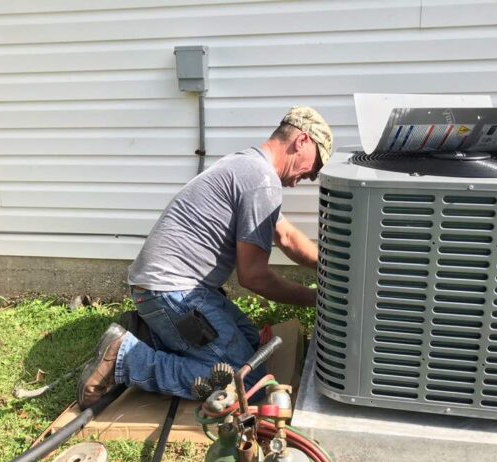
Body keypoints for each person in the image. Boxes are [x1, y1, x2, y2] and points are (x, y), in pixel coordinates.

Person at [76, 106, 333, 408]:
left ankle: (153, 335)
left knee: (252, 342)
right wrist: (318, 300)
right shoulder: (261, 180)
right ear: (302, 141)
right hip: (172, 292)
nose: (309, 177)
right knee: (247, 380)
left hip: (168, 288)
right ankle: (125, 358)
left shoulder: (247, 165)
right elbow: (254, 277)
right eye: (315, 167)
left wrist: (332, 266)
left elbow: (286, 236)